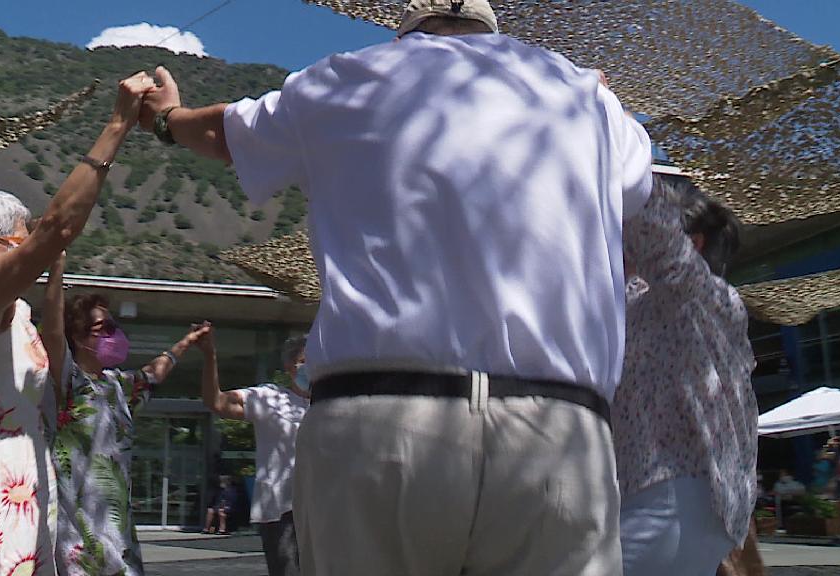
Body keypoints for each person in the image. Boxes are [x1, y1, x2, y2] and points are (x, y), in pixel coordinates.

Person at [139, 0, 652, 572]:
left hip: (381, 422)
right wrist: (602, 99)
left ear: (406, 23)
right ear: (489, 21)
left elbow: (220, 131)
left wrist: (165, 117)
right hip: (558, 432)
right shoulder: (585, 96)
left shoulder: (345, 79)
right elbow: (634, 188)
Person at [0, 71, 153, 576]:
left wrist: (55, 270)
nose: (30, 251)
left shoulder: (10, 314)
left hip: (24, 493)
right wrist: (118, 123)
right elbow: (58, 226)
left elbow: (49, 344)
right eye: (21, 242)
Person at [614, 176, 758, 575]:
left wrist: (619, 153)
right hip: (658, 495)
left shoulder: (704, 296)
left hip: (674, 495)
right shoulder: (639, 300)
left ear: (691, 244)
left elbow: (652, 226)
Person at [47, 291, 206, 576]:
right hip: (78, 538)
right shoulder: (67, 383)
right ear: (78, 335)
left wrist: (187, 343)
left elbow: (154, 373)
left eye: (114, 326)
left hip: (119, 538)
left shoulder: (118, 385)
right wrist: (56, 269)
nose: (113, 334)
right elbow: (53, 334)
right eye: (103, 328)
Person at [196, 331, 307, 576]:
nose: (312, 367)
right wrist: (210, 356)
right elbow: (216, 401)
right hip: (282, 510)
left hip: (324, 509)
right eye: (304, 361)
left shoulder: (330, 403)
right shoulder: (271, 397)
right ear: (289, 366)